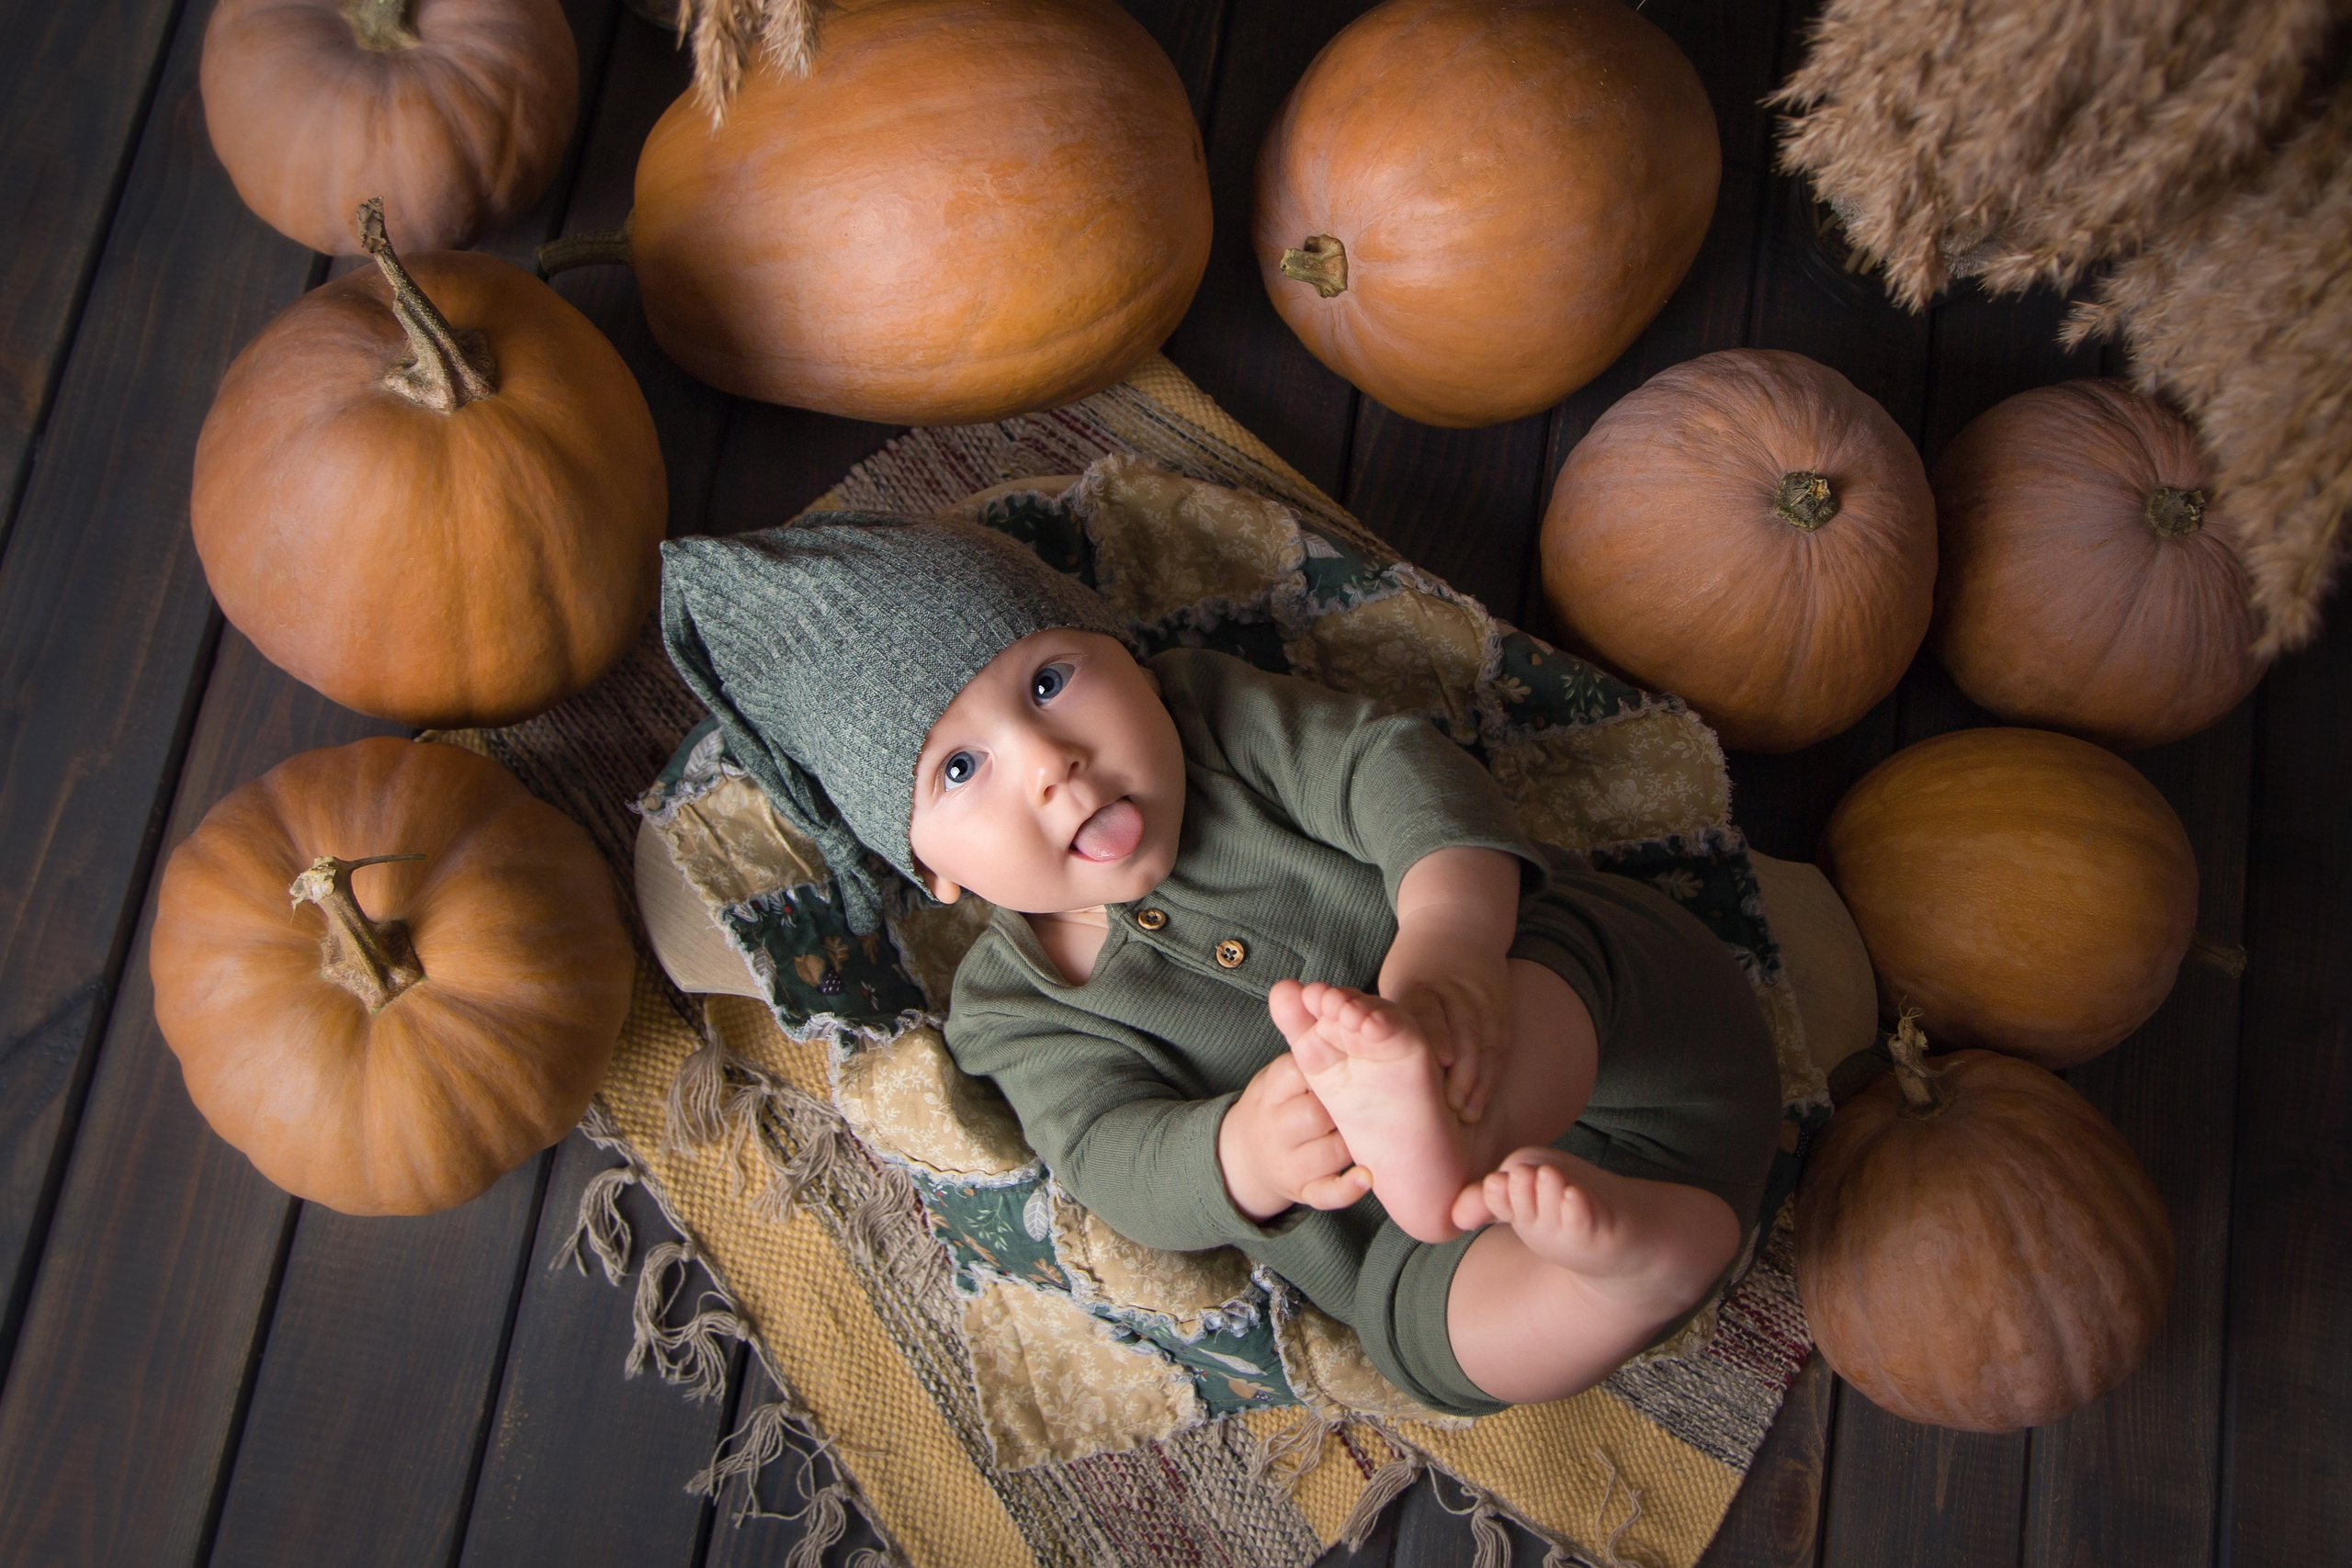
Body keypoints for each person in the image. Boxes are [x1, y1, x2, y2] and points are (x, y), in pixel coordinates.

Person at [661, 504, 1781, 1416]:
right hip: (1458, 1236)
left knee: (1558, 964)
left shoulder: (1217, 722)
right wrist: (1239, 1152)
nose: (1049, 762)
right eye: (960, 769)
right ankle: (1632, 1276)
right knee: (1423, 1335)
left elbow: (1390, 773)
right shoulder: (1011, 1013)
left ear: (1130, 660)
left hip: (1636, 1038)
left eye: (1050, 681)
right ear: (927, 871)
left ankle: (1449, 1119)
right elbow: (1111, 1155)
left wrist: (1449, 944)